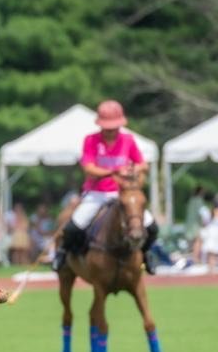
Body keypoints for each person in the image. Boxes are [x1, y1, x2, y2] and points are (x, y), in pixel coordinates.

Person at [51, 100, 158, 273]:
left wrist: (131, 169)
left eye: (114, 127)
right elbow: (89, 168)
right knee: (73, 227)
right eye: (108, 128)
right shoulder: (91, 140)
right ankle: (62, 254)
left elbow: (143, 165)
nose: (111, 131)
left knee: (151, 226)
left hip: (122, 194)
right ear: (101, 125)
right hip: (96, 193)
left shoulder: (128, 140)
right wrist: (114, 171)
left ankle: (146, 255)